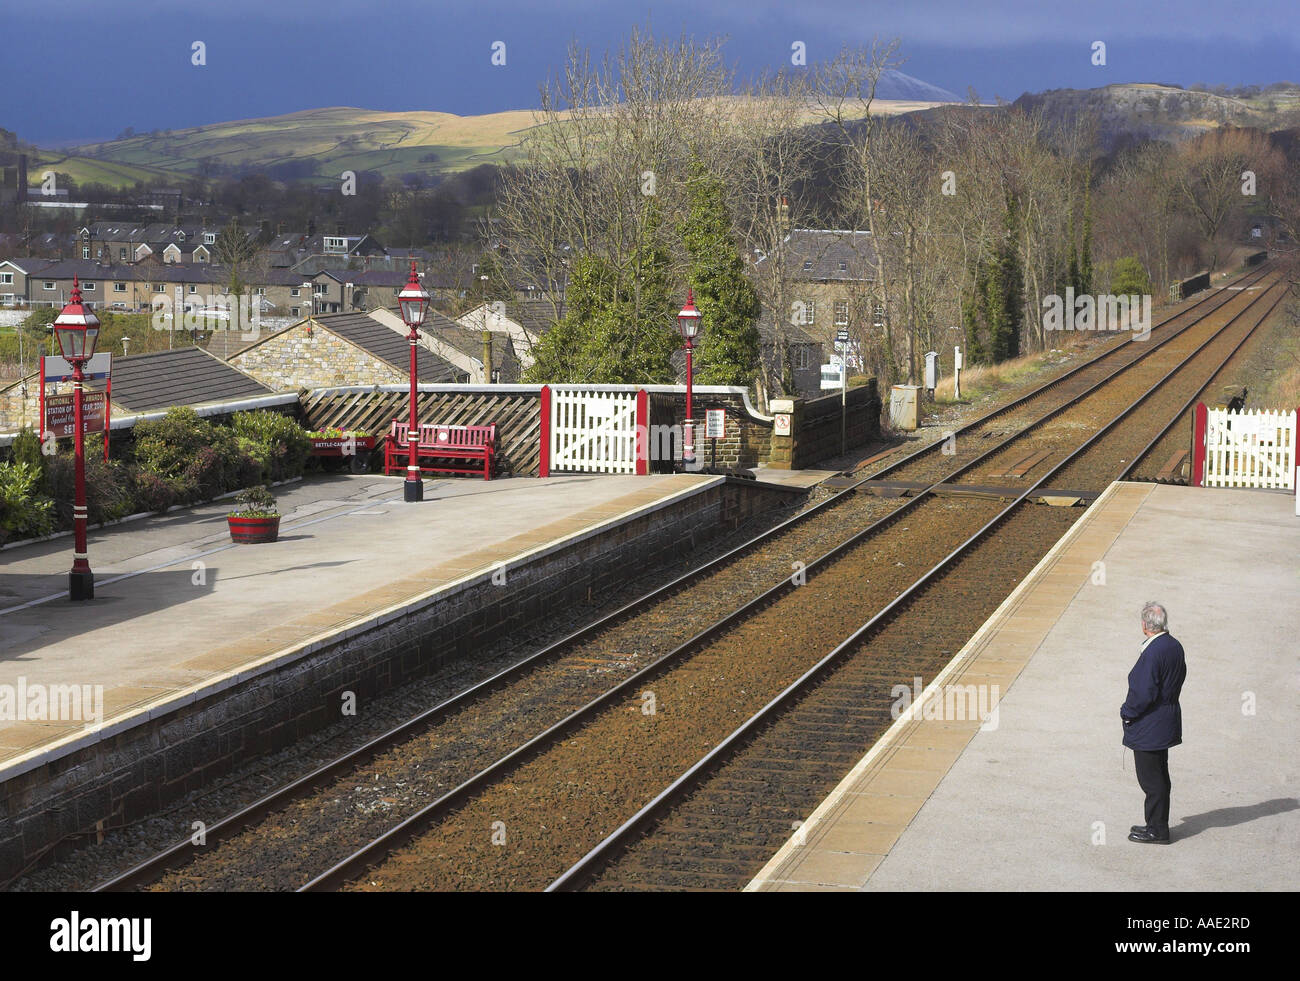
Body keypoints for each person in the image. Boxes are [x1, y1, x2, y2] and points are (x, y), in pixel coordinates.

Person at [1121, 601, 1187, 844]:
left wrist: (1126, 713)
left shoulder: (1152, 653)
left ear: (1144, 625)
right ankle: (1155, 824)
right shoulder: (1174, 646)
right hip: (1166, 719)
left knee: (1151, 779)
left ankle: (1157, 830)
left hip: (1151, 724)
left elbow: (1142, 693)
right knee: (1159, 775)